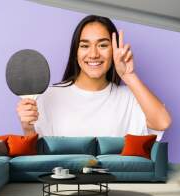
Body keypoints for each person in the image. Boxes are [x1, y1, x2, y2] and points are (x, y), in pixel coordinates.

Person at [16, 15, 171, 140]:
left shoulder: (129, 98)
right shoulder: (48, 96)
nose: (93, 54)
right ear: (75, 53)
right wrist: (28, 128)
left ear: (114, 50)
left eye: (103, 45)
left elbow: (162, 122)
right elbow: (37, 155)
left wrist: (129, 76)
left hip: (116, 179)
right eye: (85, 46)